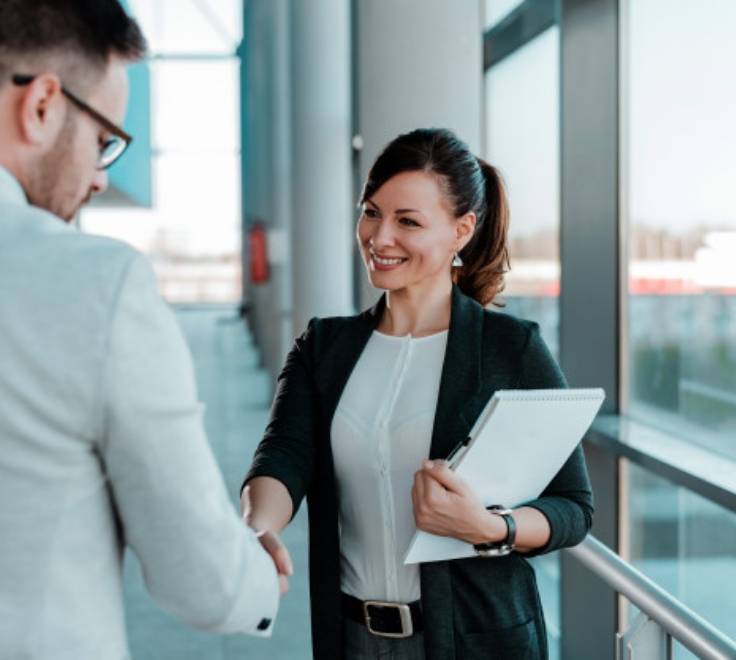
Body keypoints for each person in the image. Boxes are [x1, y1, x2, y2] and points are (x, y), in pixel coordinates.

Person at [0, 2, 289, 658]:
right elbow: (204, 582)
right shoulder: (93, 284)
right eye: (103, 139)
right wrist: (256, 578)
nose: (101, 176)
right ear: (42, 105)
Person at [241, 128, 594, 659]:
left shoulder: (510, 348)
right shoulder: (324, 347)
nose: (379, 237)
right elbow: (283, 456)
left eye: (408, 221)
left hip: (477, 642)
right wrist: (257, 530)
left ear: (461, 230)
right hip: (353, 638)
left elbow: (573, 507)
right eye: (371, 212)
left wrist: (489, 528)